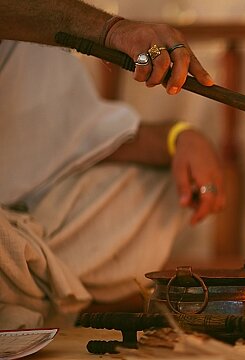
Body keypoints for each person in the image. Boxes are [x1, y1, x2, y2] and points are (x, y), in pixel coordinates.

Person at [0, 0, 224, 329]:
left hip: (23, 210)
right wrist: (111, 30)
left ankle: (25, 275)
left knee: (155, 189)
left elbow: (74, 135)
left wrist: (180, 138)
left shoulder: (27, 50)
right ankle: (27, 275)